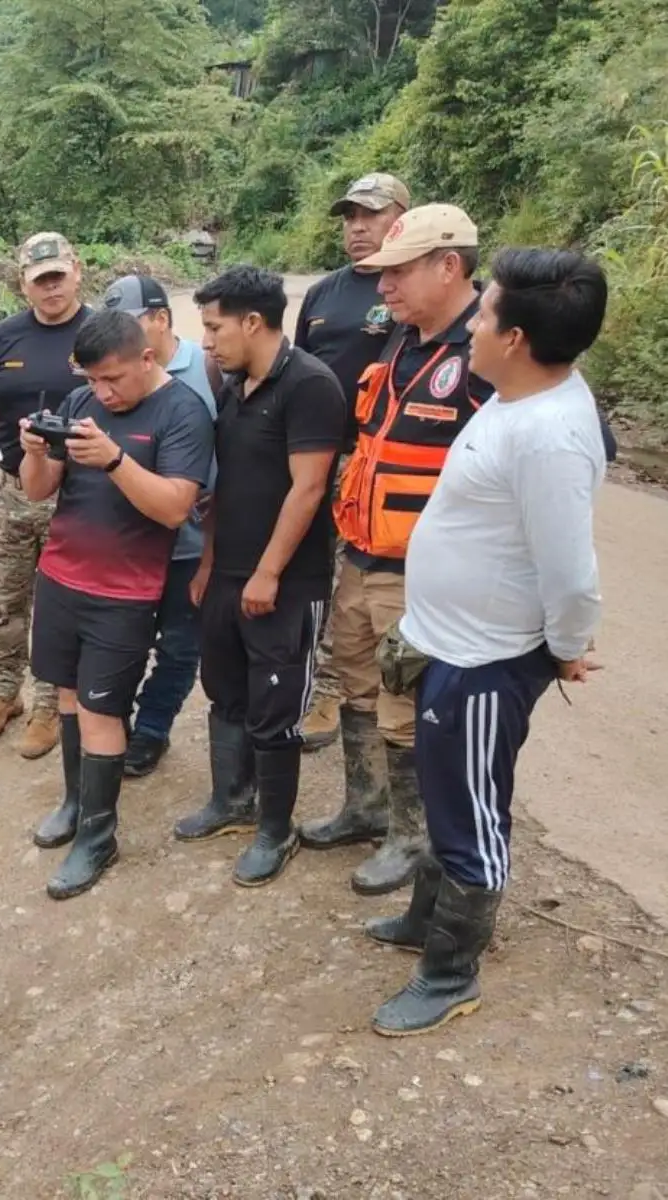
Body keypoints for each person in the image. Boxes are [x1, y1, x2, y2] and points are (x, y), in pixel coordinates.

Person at [367, 248, 608, 1036]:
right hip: (451, 643)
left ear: (514, 338)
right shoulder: (514, 397)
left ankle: (451, 972)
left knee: (471, 814)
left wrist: (565, 645)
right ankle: (425, 922)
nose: (472, 319)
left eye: (487, 309)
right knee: (445, 796)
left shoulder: (550, 437)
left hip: (484, 660)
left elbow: (571, 574)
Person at [302, 204, 490, 898]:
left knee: (405, 700)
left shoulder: (489, 348)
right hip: (363, 552)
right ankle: (366, 805)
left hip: (425, 572)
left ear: (449, 267)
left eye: (398, 272)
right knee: (356, 678)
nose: (382, 288)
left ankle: (411, 836)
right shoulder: (405, 341)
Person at [18, 309, 213, 899]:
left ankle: (99, 839)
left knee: (104, 713)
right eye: (92, 379)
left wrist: (115, 459)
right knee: (69, 697)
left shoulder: (184, 412)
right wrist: (33, 451)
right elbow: (38, 490)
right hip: (61, 576)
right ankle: (77, 804)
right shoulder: (82, 404)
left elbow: (176, 508)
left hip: (124, 593)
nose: (102, 392)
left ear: (147, 359)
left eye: (114, 380)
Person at [174, 267, 349, 887]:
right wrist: (209, 562)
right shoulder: (233, 385)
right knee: (225, 690)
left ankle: (276, 829)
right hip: (228, 574)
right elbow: (224, 485)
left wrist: (269, 572)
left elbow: (307, 490)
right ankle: (231, 801)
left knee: (275, 709)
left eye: (216, 327)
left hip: (284, 582)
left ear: (253, 322)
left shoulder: (310, 385)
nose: (208, 341)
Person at [292, 172, 411, 754]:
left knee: (366, 587)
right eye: (349, 217)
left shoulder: (411, 294)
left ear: (402, 218)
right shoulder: (322, 294)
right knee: (318, 573)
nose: (358, 227)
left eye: (371, 214)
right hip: (320, 458)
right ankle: (322, 685)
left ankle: (352, 691)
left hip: (385, 466)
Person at [0, 233, 92, 759]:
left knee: (60, 605)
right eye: (39, 280)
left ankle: (48, 704)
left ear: (76, 272)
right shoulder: (2, 340)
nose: (50, 289)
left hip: (81, 497)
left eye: (57, 277)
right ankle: (5, 694)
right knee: (9, 597)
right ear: (23, 283)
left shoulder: (101, 333)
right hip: (16, 493)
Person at [102, 274, 221, 777]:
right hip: (127, 544)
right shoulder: (111, 376)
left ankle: (152, 727)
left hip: (188, 541)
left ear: (161, 320)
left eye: (130, 325)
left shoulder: (209, 368)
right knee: (122, 641)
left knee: (178, 644)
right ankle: (113, 723)